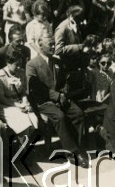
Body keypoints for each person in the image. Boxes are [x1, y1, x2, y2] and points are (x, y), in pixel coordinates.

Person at [26, 34, 88, 167]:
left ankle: (77, 146)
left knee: (78, 114)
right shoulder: (32, 65)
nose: (53, 47)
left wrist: (64, 91)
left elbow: (64, 80)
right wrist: (56, 96)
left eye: (54, 44)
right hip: (43, 101)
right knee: (59, 116)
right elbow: (37, 88)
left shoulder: (56, 61)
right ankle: (71, 153)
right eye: (50, 44)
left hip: (60, 98)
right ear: (40, 45)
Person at [0, 49, 38, 136]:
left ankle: (25, 144)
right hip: (4, 106)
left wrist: (26, 103)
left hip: (19, 103)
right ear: (8, 64)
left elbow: (23, 92)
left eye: (20, 65)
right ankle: (24, 146)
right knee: (23, 122)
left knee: (33, 120)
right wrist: (18, 106)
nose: (19, 67)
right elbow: (1, 98)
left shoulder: (21, 72)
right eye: (16, 65)